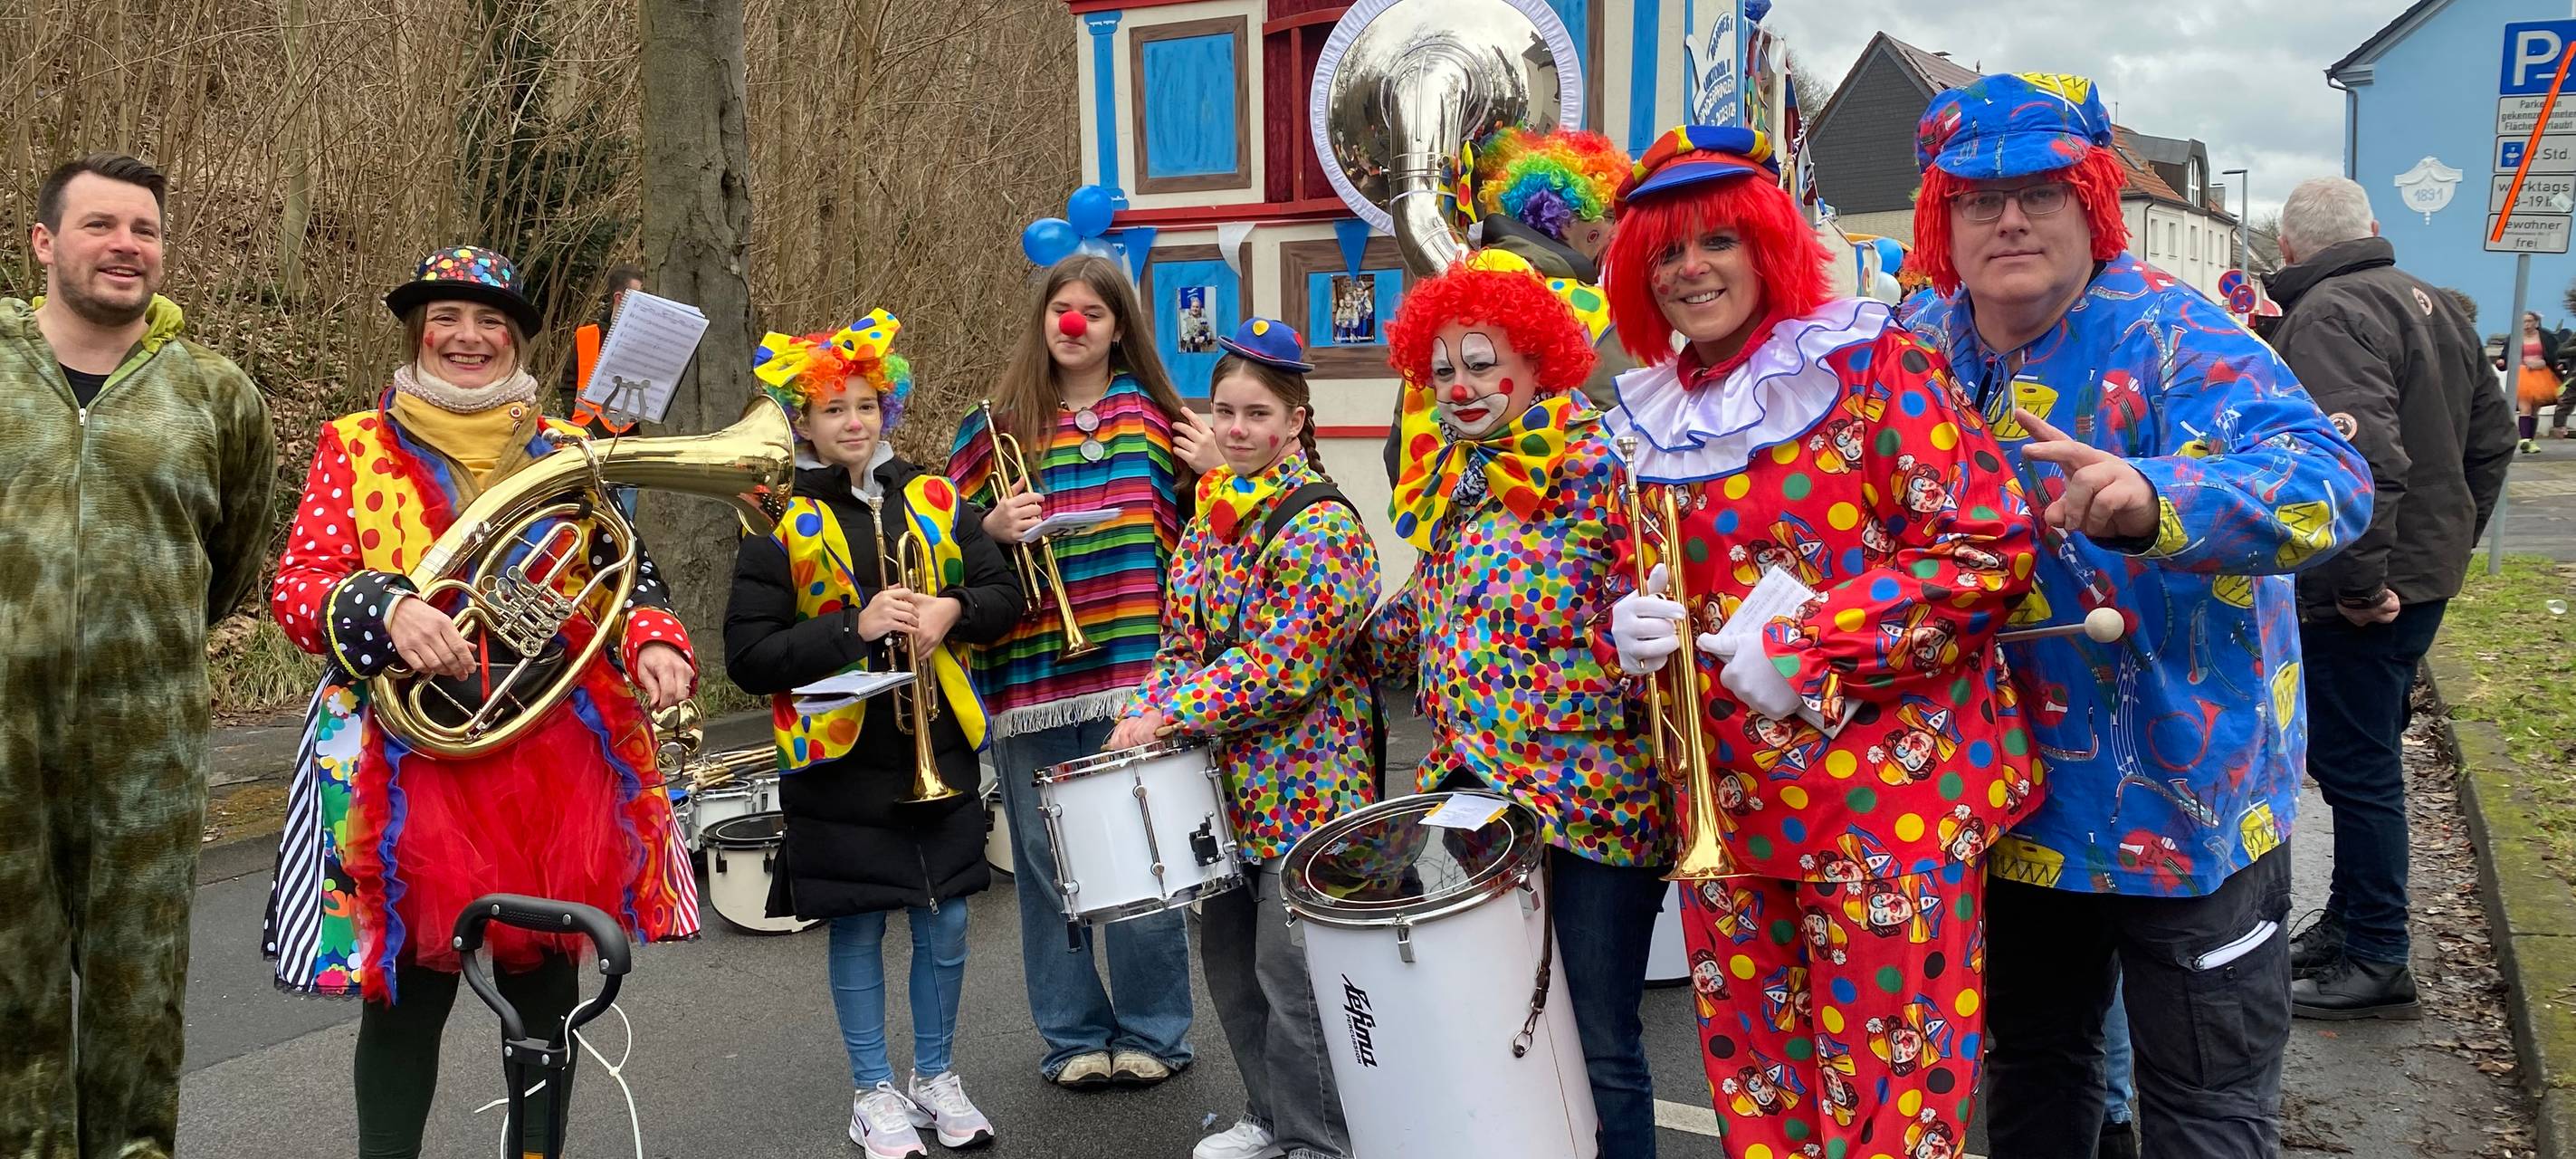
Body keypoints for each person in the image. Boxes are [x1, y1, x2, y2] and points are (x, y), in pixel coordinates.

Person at [1902, 74, 2370, 1157]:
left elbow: (2330, 480)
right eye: (1978, 198)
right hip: (2007, 800)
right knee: (2036, 1072)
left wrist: (2159, 500)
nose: (2008, 218)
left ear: (2089, 206)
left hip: (2190, 810)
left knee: (2203, 1107)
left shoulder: (2173, 333)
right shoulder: (1912, 343)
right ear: (1941, 218)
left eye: (2039, 193)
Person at [1598, 124, 2040, 1157]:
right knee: (1757, 1090)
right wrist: (1632, 613)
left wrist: (1811, 640)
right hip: (1727, 806)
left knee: (1890, 1091)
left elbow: (1982, 542)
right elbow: (1663, 567)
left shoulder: (1869, 362)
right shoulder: (1659, 408)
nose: (1690, 269)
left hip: (1884, 801)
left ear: (1768, 244)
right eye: (1666, 251)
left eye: (1716, 241)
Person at [262, 245, 702, 1159]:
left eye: (489, 321)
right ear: (419, 333)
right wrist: (387, 607)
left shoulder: (567, 452)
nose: (467, 337)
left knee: (544, 995)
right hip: (405, 759)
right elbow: (300, 586)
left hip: (548, 757)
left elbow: (628, 576)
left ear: (516, 339)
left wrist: (655, 639)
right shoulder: (354, 443)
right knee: (403, 1005)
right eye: (446, 319)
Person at [0, 152, 277, 1159]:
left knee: (138, 987)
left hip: (148, 743)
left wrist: (144, 637)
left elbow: (235, 554)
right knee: (8, 990)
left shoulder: (215, 394)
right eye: (100, 224)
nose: (126, 245)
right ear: (43, 242)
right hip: (1, 746)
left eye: (145, 230)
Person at [1370, 257, 1672, 1157]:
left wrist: (1631, 628)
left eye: (1477, 362)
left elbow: (1659, 612)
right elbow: (1430, 618)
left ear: (1539, 361)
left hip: (1593, 807)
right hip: (1474, 801)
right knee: (1501, 1033)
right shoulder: (1451, 486)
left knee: (1596, 1036)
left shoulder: (1608, 467)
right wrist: (1332, 629)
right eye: (1440, 372)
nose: (1458, 388)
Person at [725, 312, 1022, 1155]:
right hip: (838, 758)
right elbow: (749, 656)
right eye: (832, 410)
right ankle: (873, 1091)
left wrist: (953, 608)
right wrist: (851, 630)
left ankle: (937, 1076)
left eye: (866, 404)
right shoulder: (773, 523)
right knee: (857, 922)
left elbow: (1005, 596)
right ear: (805, 424)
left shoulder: (935, 498)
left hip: (938, 744)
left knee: (950, 921)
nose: (853, 422)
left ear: (886, 408)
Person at [1105, 319, 1378, 1159]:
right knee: (1232, 973)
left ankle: (1321, 1141)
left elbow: (1280, 667)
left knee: (1296, 986)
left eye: (1256, 414)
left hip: (1308, 791)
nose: (1235, 430)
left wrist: (1171, 712)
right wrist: (1139, 707)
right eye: (1223, 411)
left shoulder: (1322, 525)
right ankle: (1269, 1116)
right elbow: (1181, 648)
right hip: (1218, 792)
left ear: (1296, 420)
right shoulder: (1210, 515)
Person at [947, 253, 1220, 1088]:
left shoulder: (1162, 419)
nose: (1074, 325)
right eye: (1060, 310)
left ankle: (1155, 1031)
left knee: (1143, 851)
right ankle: (1071, 1035)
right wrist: (985, 526)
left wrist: (1216, 473)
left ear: (1118, 328)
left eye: (1092, 314)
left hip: (1137, 669)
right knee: (1044, 860)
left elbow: (1221, 539)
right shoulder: (990, 427)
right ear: (1042, 321)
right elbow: (931, 544)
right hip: (1027, 674)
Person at [2266, 177, 2515, 1020]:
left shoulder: (2329, 314)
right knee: (2360, 755)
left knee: (2358, 767)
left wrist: (2367, 581)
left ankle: (2377, 951)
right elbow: (2494, 438)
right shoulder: (2437, 303)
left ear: (2288, 246)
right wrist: (2450, 544)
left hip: (2364, 590)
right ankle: (2350, 923)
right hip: (2420, 575)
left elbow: (2363, 461)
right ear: (2372, 227)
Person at [1384, 129, 1635, 485]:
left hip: (1440, 526)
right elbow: (1632, 443)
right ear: (1591, 228)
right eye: (1611, 215)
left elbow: (1397, 449)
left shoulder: (1446, 303)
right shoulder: (1595, 308)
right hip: (1561, 532)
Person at [2513, 311, 2562, 453]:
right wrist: (2503, 362)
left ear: (2536, 322)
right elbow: (2508, 353)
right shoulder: (2516, 337)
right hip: (2523, 374)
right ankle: (2525, 440)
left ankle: (2531, 440)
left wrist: (2546, 362)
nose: (2526, 325)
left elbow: (2554, 353)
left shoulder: (2545, 336)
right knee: (2525, 407)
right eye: (2524, 322)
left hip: (2541, 374)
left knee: (2534, 409)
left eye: (2529, 321)